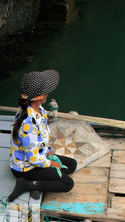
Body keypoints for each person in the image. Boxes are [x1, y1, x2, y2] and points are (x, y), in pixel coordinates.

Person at [8, 70, 77, 202]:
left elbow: (39, 141)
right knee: (68, 183)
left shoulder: (36, 109)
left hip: (39, 156)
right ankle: (28, 184)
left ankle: (44, 179)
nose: (48, 93)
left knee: (72, 164)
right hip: (25, 168)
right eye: (46, 91)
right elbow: (33, 159)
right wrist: (51, 163)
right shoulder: (28, 126)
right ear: (40, 97)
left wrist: (49, 152)